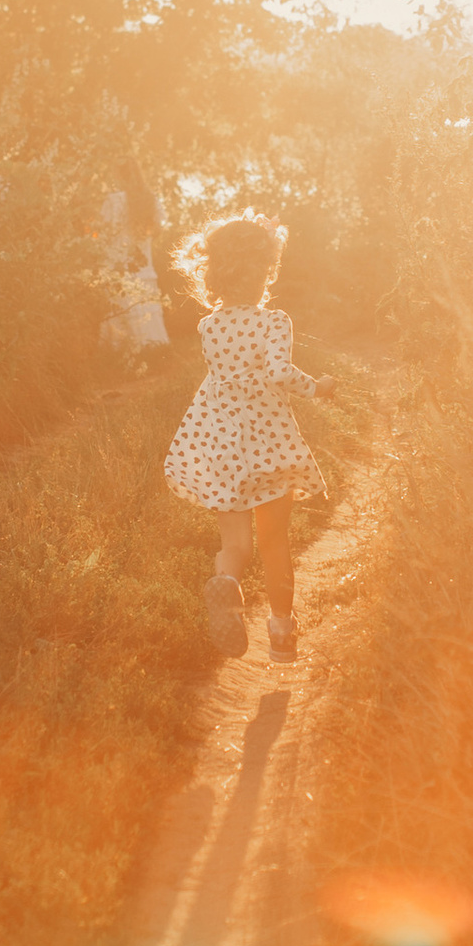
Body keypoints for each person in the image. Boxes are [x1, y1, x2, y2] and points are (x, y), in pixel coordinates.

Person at [163, 212, 325, 663]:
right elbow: (276, 372)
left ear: (214, 273)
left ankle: (227, 584)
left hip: (218, 441)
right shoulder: (274, 321)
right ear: (266, 269)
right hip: (268, 443)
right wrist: (319, 386)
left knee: (235, 545)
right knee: (275, 544)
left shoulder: (210, 326)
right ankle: (280, 633)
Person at [99, 159, 170, 354]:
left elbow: (103, 233)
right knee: (147, 309)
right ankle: (154, 350)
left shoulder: (114, 200)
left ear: (119, 175)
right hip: (144, 266)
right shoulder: (150, 199)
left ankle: (121, 353)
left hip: (119, 266)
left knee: (120, 310)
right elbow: (156, 231)